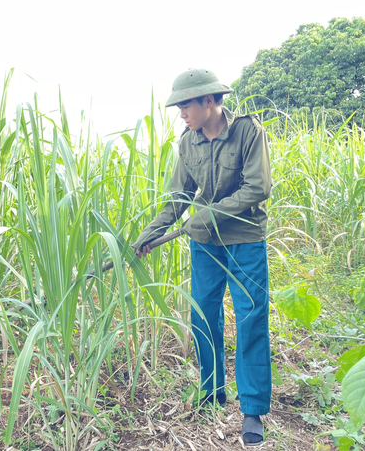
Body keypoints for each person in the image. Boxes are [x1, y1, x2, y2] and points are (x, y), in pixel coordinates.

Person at [132, 68, 272, 446]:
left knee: (251, 318)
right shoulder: (188, 142)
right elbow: (180, 196)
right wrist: (154, 229)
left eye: (186, 105)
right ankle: (212, 392)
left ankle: (253, 410)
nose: (181, 113)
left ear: (208, 101)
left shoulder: (247, 132)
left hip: (244, 239)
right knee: (203, 315)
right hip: (205, 244)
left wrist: (209, 213)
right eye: (179, 107)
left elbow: (258, 187)